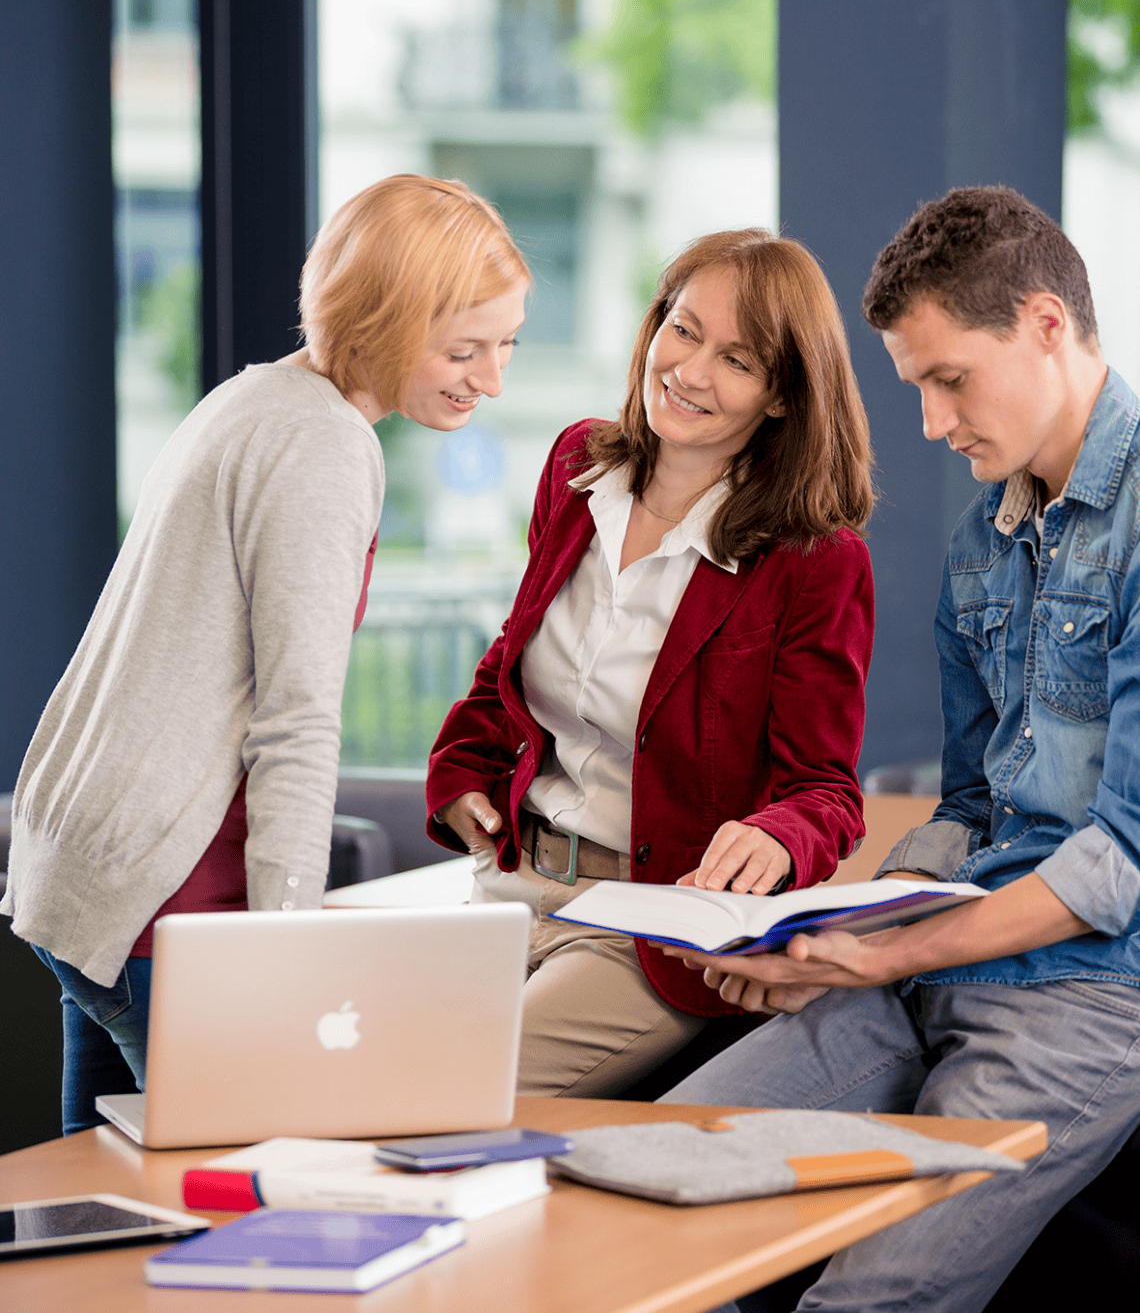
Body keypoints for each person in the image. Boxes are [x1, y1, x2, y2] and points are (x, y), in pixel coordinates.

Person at [665, 187, 1140, 1313]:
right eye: (914, 387)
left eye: (947, 379)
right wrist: (837, 930)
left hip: (1095, 997)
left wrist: (885, 956)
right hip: (944, 955)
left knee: (865, 1302)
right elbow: (974, 804)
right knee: (650, 1195)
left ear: (1044, 326)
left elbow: (1122, 859)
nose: (930, 423)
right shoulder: (988, 538)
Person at [2, 173, 530, 1134]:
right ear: (378, 317)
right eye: (464, 349)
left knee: (95, 1212)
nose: (491, 380)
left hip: (79, 871)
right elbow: (296, 719)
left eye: (506, 346)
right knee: (235, 1194)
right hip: (163, 893)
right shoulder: (325, 447)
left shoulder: (250, 400)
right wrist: (285, 957)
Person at [425, 228, 875, 1097]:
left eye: (738, 360)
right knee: (355, 1060)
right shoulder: (574, 469)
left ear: (782, 396)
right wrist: (462, 768)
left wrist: (778, 837)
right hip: (511, 886)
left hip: (650, 930)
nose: (692, 371)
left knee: (454, 1090)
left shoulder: (812, 560)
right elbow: (509, 665)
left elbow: (826, 790)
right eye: (683, 329)